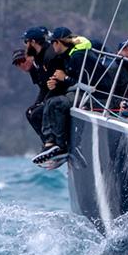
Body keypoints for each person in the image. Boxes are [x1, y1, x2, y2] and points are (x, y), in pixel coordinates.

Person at [33, 27, 111, 164]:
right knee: (45, 106)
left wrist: (65, 79)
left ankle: (61, 146)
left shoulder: (78, 56)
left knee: (57, 103)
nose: (51, 46)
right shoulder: (68, 56)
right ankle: (50, 144)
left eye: (52, 43)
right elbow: (72, 80)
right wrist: (56, 83)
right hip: (83, 92)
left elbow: (87, 85)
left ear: (58, 42)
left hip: (98, 96)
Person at [11, 48, 44, 139]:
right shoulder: (32, 71)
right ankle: (46, 142)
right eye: (17, 63)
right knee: (29, 112)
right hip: (48, 93)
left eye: (22, 60)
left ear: (29, 57)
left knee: (36, 113)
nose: (21, 64)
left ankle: (52, 141)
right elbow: (42, 88)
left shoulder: (40, 64)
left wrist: (40, 103)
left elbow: (48, 86)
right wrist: (37, 103)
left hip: (57, 93)